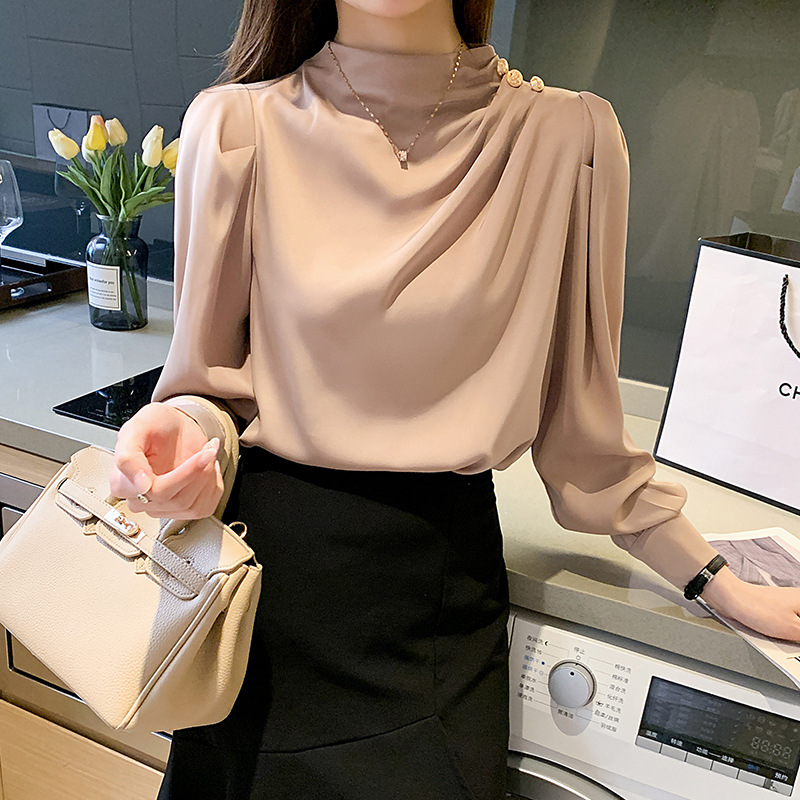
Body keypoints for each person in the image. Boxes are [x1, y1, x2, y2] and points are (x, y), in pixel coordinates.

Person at [109, 1, 800, 798]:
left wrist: (715, 578)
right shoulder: (236, 126)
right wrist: (179, 432)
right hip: (262, 596)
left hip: (432, 605)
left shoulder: (570, 139)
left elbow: (585, 442)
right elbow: (206, 388)